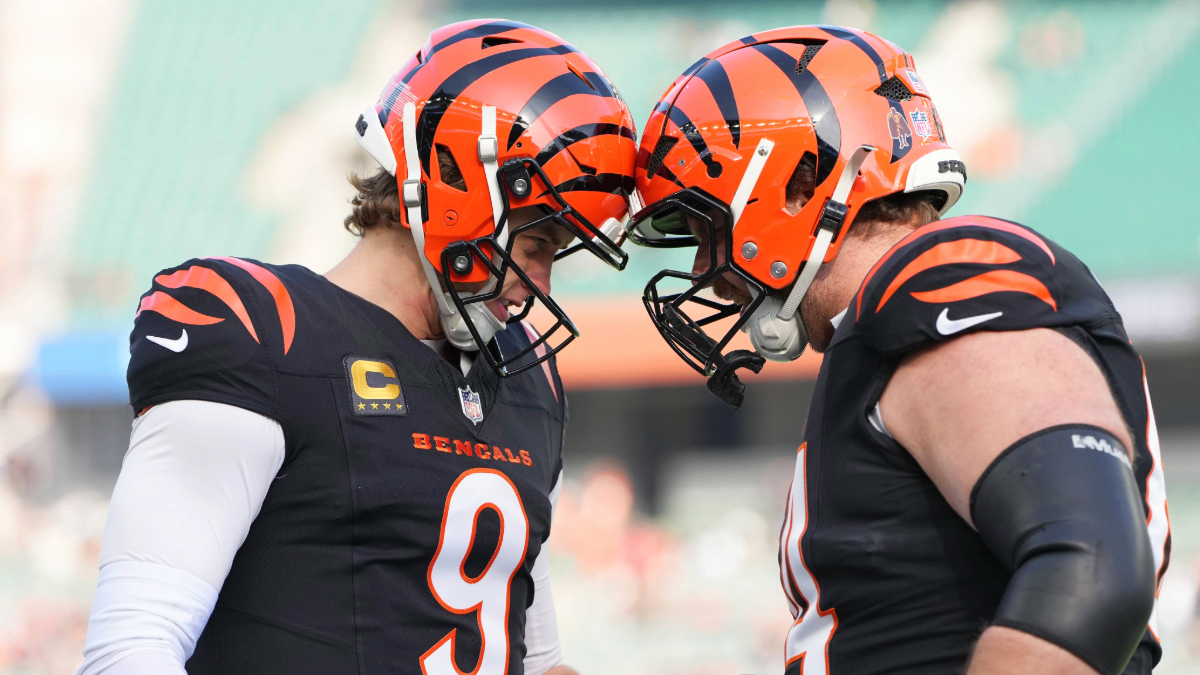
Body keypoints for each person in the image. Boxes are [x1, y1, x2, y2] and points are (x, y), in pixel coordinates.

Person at [78, 19, 637, 675]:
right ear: (462, 192)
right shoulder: (264, 329)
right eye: (538, 246)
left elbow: (539, 658)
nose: (540, 285)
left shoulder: (529, 382)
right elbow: (130, 648)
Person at [627, 25, 1169, 675]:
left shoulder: (939, 279)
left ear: (800, 184)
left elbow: (1093, 565)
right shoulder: (879, 330)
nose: (705, 269)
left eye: (707, 225)